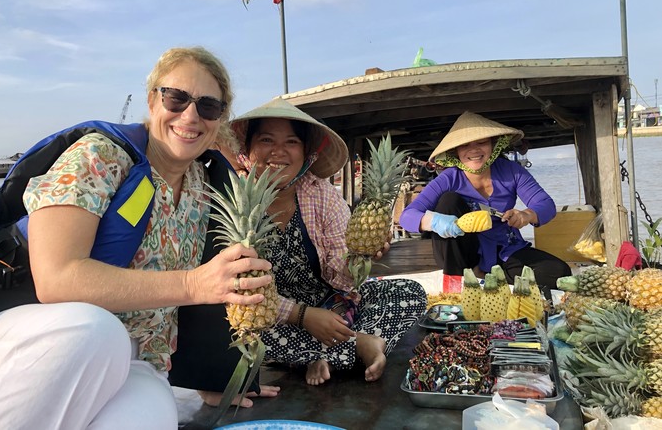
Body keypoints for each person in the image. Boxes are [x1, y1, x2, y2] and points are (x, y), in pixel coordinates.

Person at [0, 47, 277, 429]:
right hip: (28, 356)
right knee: (98, 332)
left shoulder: (203, 188)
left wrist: (213, 376)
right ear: (154, 100)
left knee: (152, 417)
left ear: (219, 119)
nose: (190, 115)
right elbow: (55, 279)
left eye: (207, 106)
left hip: (134, 364)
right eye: (177, 98)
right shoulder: (99, 156)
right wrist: (192, 283)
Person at [174, 98, 427, 387]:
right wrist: (302, 315)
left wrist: (360, 256)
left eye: (291, 142)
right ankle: (360, 345)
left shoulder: (322, 195)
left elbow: (343, 279)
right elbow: (235, 286)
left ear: (307, 153)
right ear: (247, 150)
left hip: (332, 308)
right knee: (244, 331)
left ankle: (324, 353)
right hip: (271, 314)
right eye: (266, 139)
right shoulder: (233, 200)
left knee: (408, 291)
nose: (278, 151)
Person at [399, 111, 571, 296]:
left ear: (493, 144)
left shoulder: (512, 171)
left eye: (481, 142)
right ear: (455, 151)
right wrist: (434, 221)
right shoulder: (449, 178)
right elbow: (407, 217)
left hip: (504, 247)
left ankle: (489, 279)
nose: (474, 150)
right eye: (465, 145)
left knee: (558, 273)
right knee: (448, 201)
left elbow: (545, 204)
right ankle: (462, 279)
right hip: (464, 253)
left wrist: (526, 215)